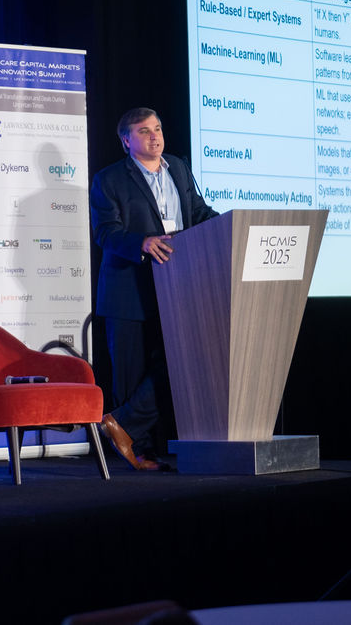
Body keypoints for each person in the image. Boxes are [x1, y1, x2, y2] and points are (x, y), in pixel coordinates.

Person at [90, 108, 218, 470]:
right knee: (130, 375)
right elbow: (105, 232)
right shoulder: (109, 179)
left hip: (178, 286)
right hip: (128, 290)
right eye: (144, 131)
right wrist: (142, 242)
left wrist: (231, 224)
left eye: (158, 128)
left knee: (176, 365)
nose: (155, 136)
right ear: (126, 140)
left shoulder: (178, 167)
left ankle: (122, 424)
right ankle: (141, 451)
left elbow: (197, 212)